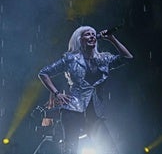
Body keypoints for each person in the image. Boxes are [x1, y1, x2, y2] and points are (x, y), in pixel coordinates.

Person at [38, 26, 133, 154]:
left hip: (95, 111)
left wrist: (111, 39)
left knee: (110, 149)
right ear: (80, 39)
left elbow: (127, 57)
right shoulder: (70, 59)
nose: (92, 36)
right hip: (73, 110)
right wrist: (57, 93)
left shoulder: (103, 59)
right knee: (71, 148)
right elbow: (44, 73)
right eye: (87, 34)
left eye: (93, 34)